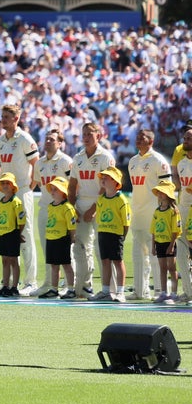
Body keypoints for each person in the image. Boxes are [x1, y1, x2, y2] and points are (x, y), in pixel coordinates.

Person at [0, 104, 39, 294]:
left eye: (7, 117)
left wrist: (30, 186)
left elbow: (36, 164)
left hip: (21, 190)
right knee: (7, 235)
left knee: (25, 235)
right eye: (2, 116)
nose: (3, 120)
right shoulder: (0, 141)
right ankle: (10, 282)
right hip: (6, 192)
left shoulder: (24, 138)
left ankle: (30, 282)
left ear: (16, 119)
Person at [69, 121, 115, 299]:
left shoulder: (105, 157)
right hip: (81, 205)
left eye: (90, 134)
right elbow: (72, 185)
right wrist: (73, 208)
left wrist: (94, 209)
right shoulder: (78, 157)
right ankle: (84, 286)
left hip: (101, 205)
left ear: (99, 136)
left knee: (102, 248)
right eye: (84, 134)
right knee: (80, 247)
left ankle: (110, 289)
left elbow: (107, 186)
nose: (86, 137)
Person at [125, 129, 171, 300]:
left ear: (151, 141)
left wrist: (163, 212)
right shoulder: (133, 161)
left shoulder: (158, 160)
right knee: (138, 254)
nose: (138, 140)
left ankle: (160, 291)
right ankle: (139, 291)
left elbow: (168, 187)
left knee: (155, 254)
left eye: (142, 138)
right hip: (137, 213)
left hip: (154, 213)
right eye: (137, 137)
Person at [93, 166, 130, 303]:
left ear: (115, 181)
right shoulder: (101, 198)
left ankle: (120, 292)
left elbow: (126, 222)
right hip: (103, 232)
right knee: (105, 262)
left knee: (118, 262)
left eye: (106, 177)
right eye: (102, 177)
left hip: (116, 234)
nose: (103, 179)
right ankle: (105, 291)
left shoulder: (121, 199)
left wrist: (122, 236)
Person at [38, 178, 77, 299]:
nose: (53, 192)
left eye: (56, 190)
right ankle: (54, 289)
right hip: (51, 238)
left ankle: (71, 289)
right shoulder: (50, 206)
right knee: (53, 265)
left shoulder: (67, 207)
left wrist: (72, 238)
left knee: (66, 264)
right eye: (52, 190)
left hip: (62, 238)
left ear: (63, 192)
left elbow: (71, 225)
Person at [0, 172, 26, 297]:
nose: (5, 185)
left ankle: (14, 287)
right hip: (3, 232)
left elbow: (21, 220)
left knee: (13, 260)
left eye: (8, 183)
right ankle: (5, 285)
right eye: (3, 183)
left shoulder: (16, 201)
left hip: (12, 233)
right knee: (4, 260)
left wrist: (18, 233)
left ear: (13, 186)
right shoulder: (1, 200)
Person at [149, 181, 181, 303]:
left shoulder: (173, 211)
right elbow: (153, 230)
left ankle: (174, 293)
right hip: (159, 242)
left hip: (169, 243)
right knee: (162, 268)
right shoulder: (157, 211)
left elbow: (176, 230)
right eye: (159, 192)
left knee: (172, 268)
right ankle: (163, 293)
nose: (160, 195)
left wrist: (172, 245)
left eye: (162, 192)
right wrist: (153, 246)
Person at [175, 128, 192, 303]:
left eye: (189, 138)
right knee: (180, 248)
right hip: (184, 209)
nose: (186, 140)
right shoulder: (181, 164)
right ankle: (188, 291)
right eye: (185, 137)